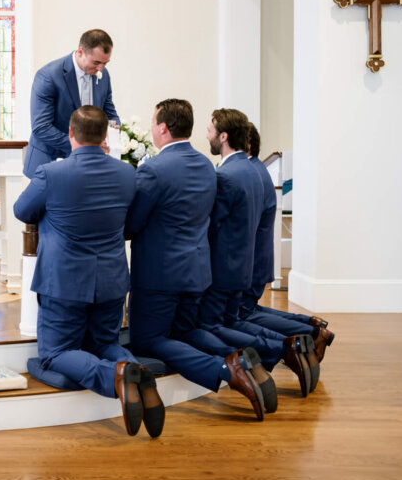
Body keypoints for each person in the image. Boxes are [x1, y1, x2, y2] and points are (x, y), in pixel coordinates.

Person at [14, 106, 164, 438]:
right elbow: (130, 221)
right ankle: (136, 370)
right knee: (105, 342)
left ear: (70, 133)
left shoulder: (51, 173)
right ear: (105, 136)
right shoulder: (127, 174)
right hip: (111, 279)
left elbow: (22, 210)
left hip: (64, 282)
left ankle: (118, 378)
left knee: (55, 354)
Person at [126, 100, 273, 420]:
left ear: (163, 128)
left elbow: (132, 224)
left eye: (154, 122)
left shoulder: (153, 169)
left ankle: (226, 369)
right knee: (187, 332)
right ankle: (241, 356)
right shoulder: (207, 166)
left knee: (148, 339)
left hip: (159, 276)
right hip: (197, 271)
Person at [193, 109, 316, 398]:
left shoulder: (226, 175)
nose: (207, 135)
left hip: (223, 268)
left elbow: (212, 226)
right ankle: (292, 343)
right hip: (242, 265)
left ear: (223, 136)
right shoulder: (251, 170)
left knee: (211, 326)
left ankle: (283, 348)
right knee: (234, 322)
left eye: (210, 130)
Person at [234, 124, 334, 365]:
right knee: (249, 311)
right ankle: (310, 327)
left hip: (253, 260)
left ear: (247, 145)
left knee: (244, 314)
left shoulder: (251, 173)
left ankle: (308, 335)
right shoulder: (257, 170)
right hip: (258, 258)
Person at [24, 29, 120, 178]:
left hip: (88, 164)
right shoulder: (49, 75)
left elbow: (109, 112)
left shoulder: (103, 75)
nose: (100, 68)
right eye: (96, 62)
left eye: (105, 63)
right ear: (81, 52)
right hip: (50, 160)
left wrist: (112, 133)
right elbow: (41, 127)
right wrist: (84, 146)